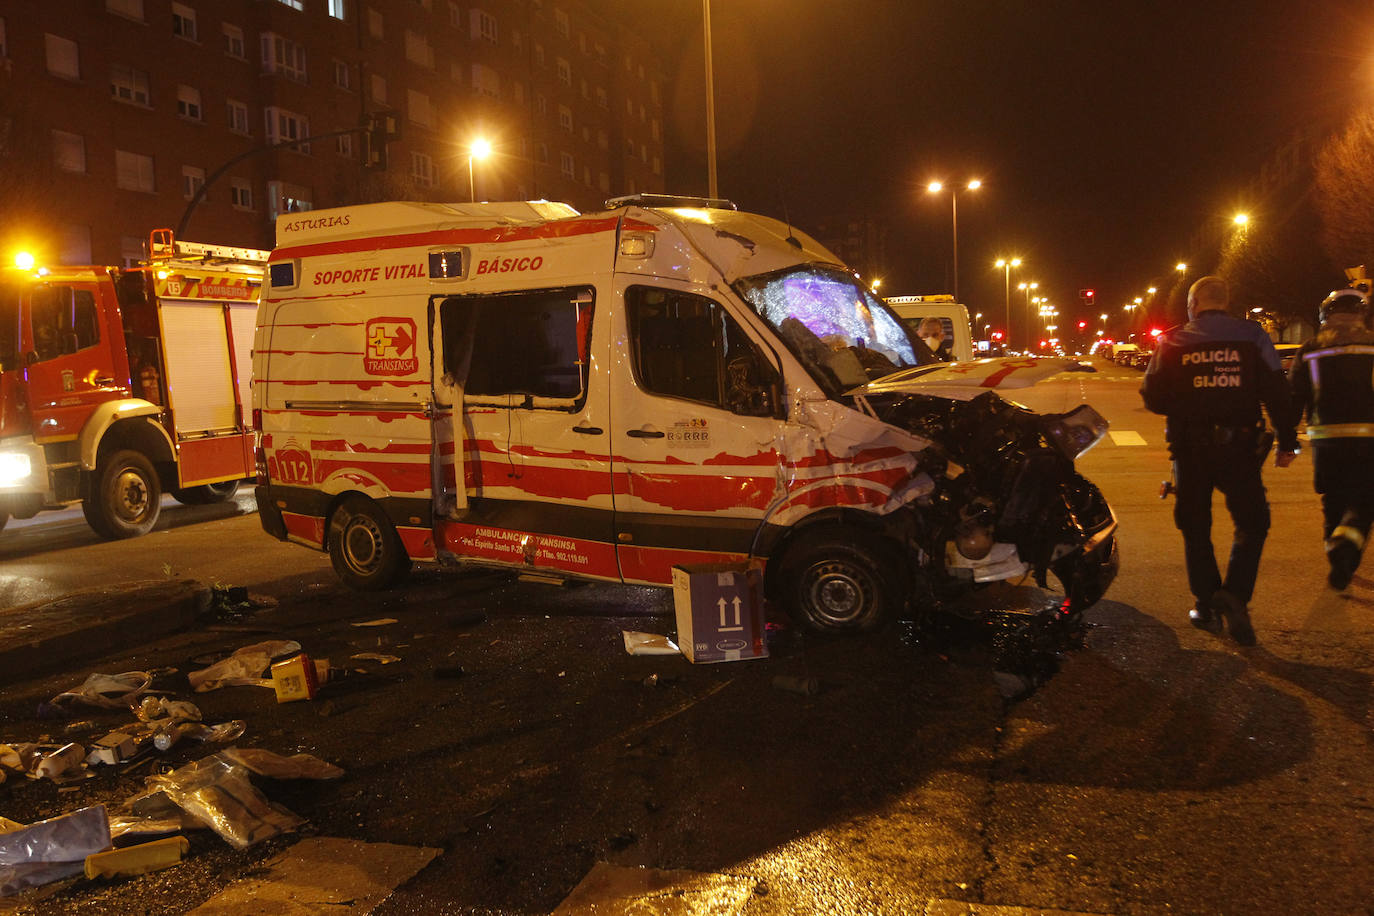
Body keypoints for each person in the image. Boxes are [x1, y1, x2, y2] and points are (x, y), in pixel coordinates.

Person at [1141, 275, 1298, 646]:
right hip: (1240, 447)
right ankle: (1235, 595)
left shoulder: (1173, 340)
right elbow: (1278, 391)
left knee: (1195, 525)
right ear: (1225, 302)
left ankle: (1206, 604)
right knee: (1253, 522)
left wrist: (1187, 403)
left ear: (1192, 305)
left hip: (1190, 449)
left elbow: (1151, 395)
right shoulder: (1253, 336)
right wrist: (1287, 441)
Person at [1288, 287, 1374, 590]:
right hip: (1369, 443)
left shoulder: (1311, 350)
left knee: (1333, 502)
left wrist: (1286, 441)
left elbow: (1293, 397)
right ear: (1362, 315)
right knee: (1364, 503)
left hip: (1327, 444)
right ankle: (1344, 549)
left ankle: (1337, 560)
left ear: (1325, 315)